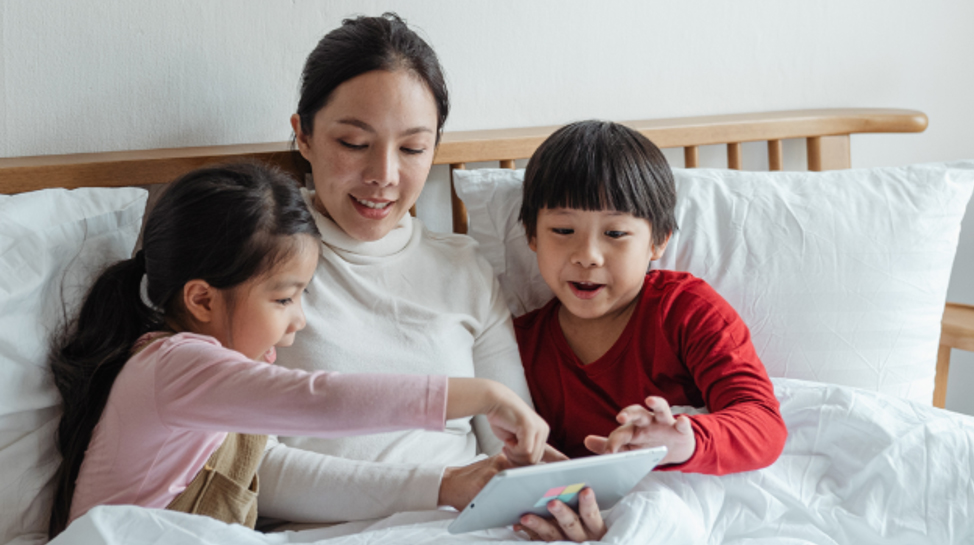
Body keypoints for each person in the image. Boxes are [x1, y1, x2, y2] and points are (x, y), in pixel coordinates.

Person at [46, 163, 548, 538]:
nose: (299, 320)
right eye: (284, 298)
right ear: (201, 299)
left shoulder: (199, 371)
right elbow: (321, 399)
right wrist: (482, 394)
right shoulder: (177, 366)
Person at [255, 13, 554, 526]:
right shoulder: (256, 267)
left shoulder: (464, 268)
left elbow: (513, 447)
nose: (384, 177)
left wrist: (561, 497)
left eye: (413, 148)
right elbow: (254, 475)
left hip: (471, 529)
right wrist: (439, 486)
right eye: (353, 144)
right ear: (303, 135)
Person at [511, 120, 788, 541]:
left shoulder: (685, 310)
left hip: (690, 494)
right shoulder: (517, 346)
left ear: (658, 242)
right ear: (532, 235)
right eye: (563, 231)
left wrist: (683, 441)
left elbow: (763, 426)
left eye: (616, 233)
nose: (587, 256)